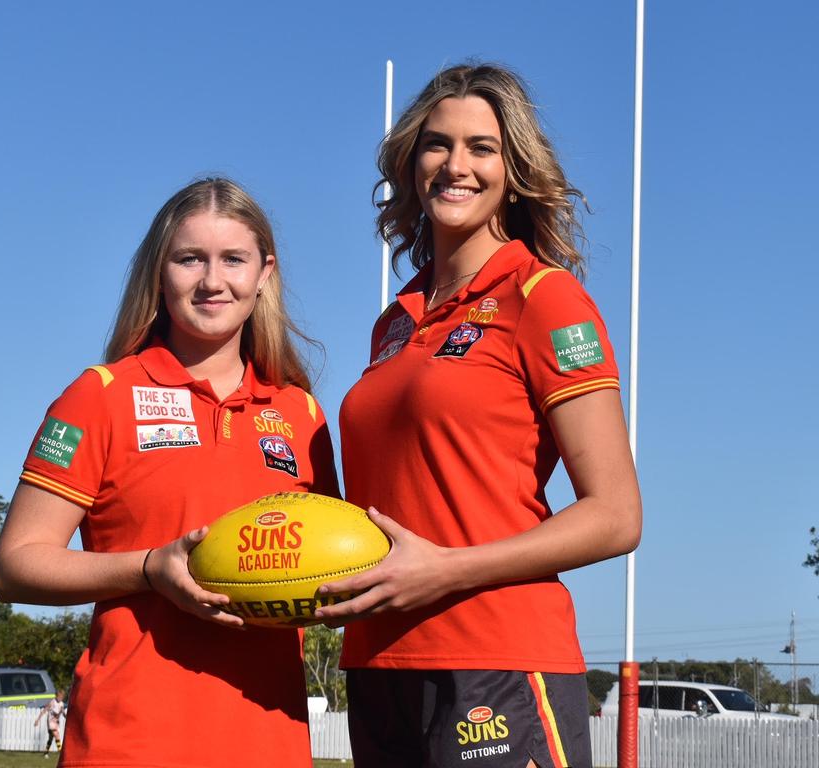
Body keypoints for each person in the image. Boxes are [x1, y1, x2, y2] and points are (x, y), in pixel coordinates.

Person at [315, 63, 643, 768]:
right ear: (411, 163)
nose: (455, 165)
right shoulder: (393, 324)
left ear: (513, 168)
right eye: (437, 145)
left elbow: (617, 514)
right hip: (379, 666)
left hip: (499, 660)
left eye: (481, 147)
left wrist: (445, 571)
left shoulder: (544, 297)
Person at [0, 177, 339, 768]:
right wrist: (152, 570)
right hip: (130, 741)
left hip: (269, 743)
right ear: (159, 271)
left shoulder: (298, 411)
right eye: (189, 259)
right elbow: (14, 567)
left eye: (233, 259)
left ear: (265, 273)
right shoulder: (99, 395)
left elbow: (328, 565)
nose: (212, 281)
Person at [35, 689, 67, 758]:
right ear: (56, 696)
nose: (60, 698)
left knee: (51, 738)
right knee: (56, 734)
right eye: (59, 696)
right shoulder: (52, 702)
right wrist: (37, 720)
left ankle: (46, 753)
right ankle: (61, 752)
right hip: (50, 721)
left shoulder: (61, 703)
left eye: (62, 697)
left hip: (56, 722)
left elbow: (63, 713)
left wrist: (65, 716)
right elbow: (44, 710)